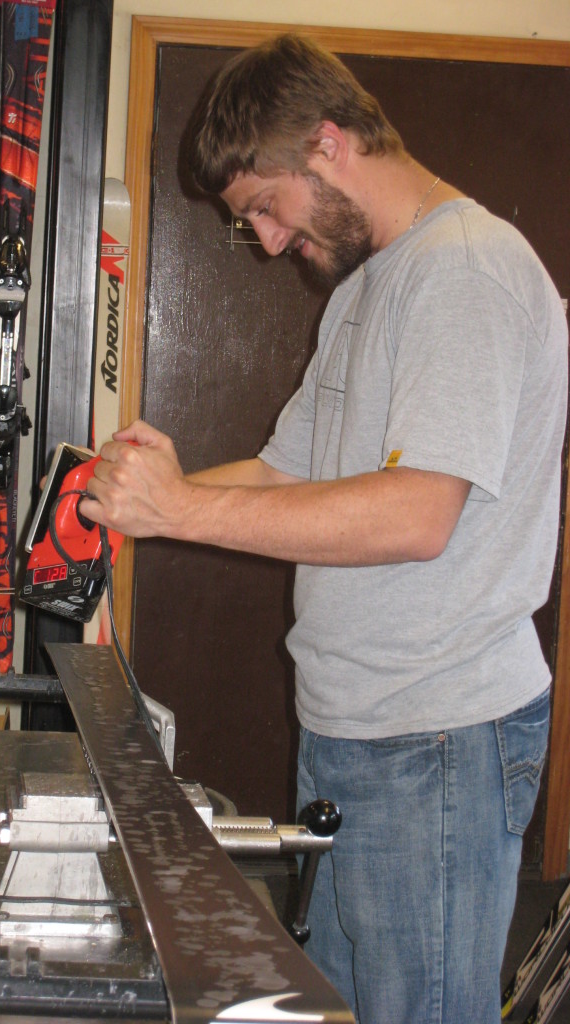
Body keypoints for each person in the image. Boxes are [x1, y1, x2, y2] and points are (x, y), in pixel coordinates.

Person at [80, 34, 568, 1024]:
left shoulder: (465, 271)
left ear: (330, 145)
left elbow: (419, 513)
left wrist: (177, 506)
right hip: (353, 731)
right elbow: (281, 472)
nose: (265, 240)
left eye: (266, 205)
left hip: (435, 741)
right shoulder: (364, 287)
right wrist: (124, 504)